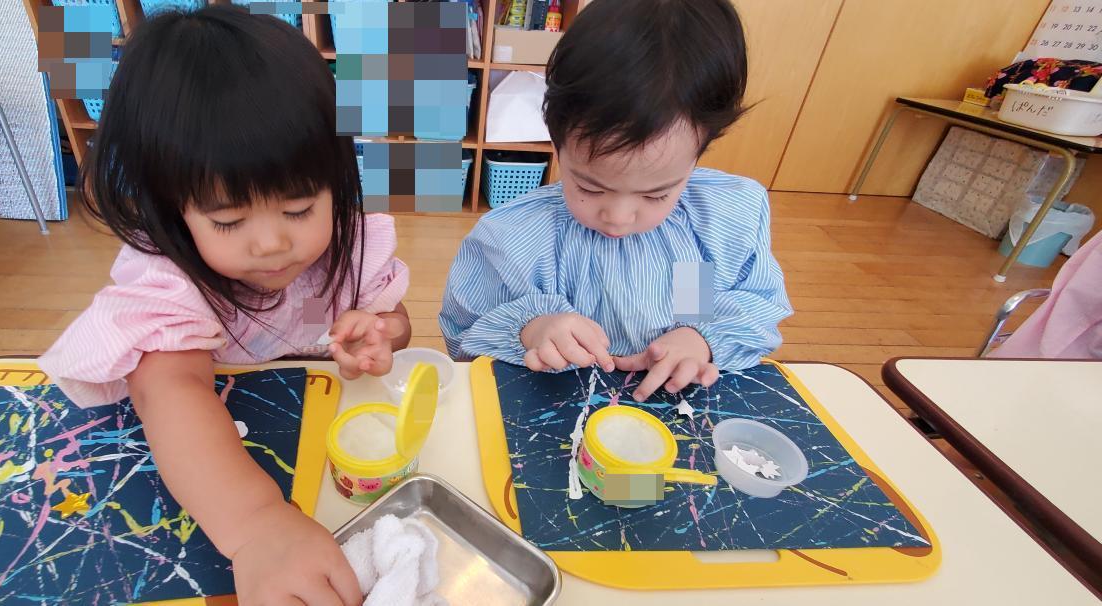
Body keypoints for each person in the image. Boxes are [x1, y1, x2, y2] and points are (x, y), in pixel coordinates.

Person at [39, 7, 412, 604]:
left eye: (298, 209)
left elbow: (396, 319)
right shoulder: (171, 282)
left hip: (329, 438)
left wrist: (382, 331)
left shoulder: (349, 244)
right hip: (223, 464)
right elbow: (169, 389)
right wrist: (256, 525)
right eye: (229, 220)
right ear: (173, 208)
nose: (272, 244)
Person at [440, 0, 792, 402]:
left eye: (657, 194)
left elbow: (747, 304)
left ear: (700, 151)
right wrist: (530, 329)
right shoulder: (515, 238)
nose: (619, 218)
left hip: (680, 415)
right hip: (553, 413)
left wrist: (700, 336)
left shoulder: (713, 225)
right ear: (557, 141)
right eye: (590, 188)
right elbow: (463, 341)